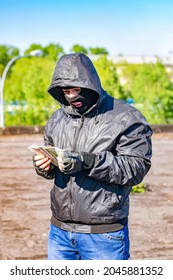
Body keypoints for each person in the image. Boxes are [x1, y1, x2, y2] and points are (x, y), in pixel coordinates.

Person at [33, 52, 152, 260]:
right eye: (66, 91)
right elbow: (51, 168)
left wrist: (86, 162)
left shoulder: (127, 118)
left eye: (76, 90)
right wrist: (44, 165)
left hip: (104, 236)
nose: (71, 97)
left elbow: (135, 168)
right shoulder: (56, 119)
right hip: (60, 233)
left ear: (90, 85)